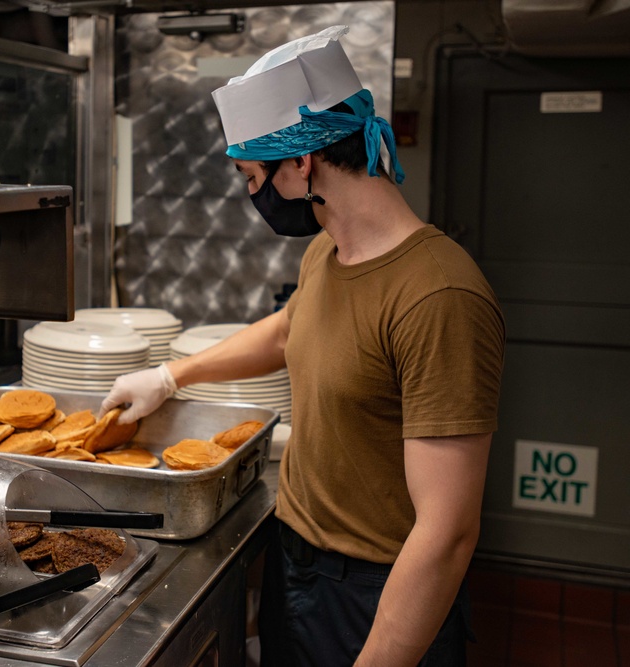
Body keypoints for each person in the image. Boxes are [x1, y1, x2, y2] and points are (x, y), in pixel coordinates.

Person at [100, 25, 505, 667]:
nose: (251, 195)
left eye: (251, 177)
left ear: (302, 162)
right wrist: (172, 377)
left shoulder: (439, 295)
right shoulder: (329, 250)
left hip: (376, 597)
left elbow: (447, 534)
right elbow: (291, 329)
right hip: (300, 570)